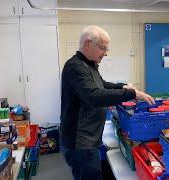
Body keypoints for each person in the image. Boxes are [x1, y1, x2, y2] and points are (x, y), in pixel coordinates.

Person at [60, 25, 155, 180]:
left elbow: (102, 84)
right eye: (103, 48)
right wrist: (129, 93)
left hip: (90, 138)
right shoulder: (75, 66)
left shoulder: (88, 65)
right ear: (88, 44)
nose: (106, 53)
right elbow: (94, 96)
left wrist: (123, 87)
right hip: (81, 142)